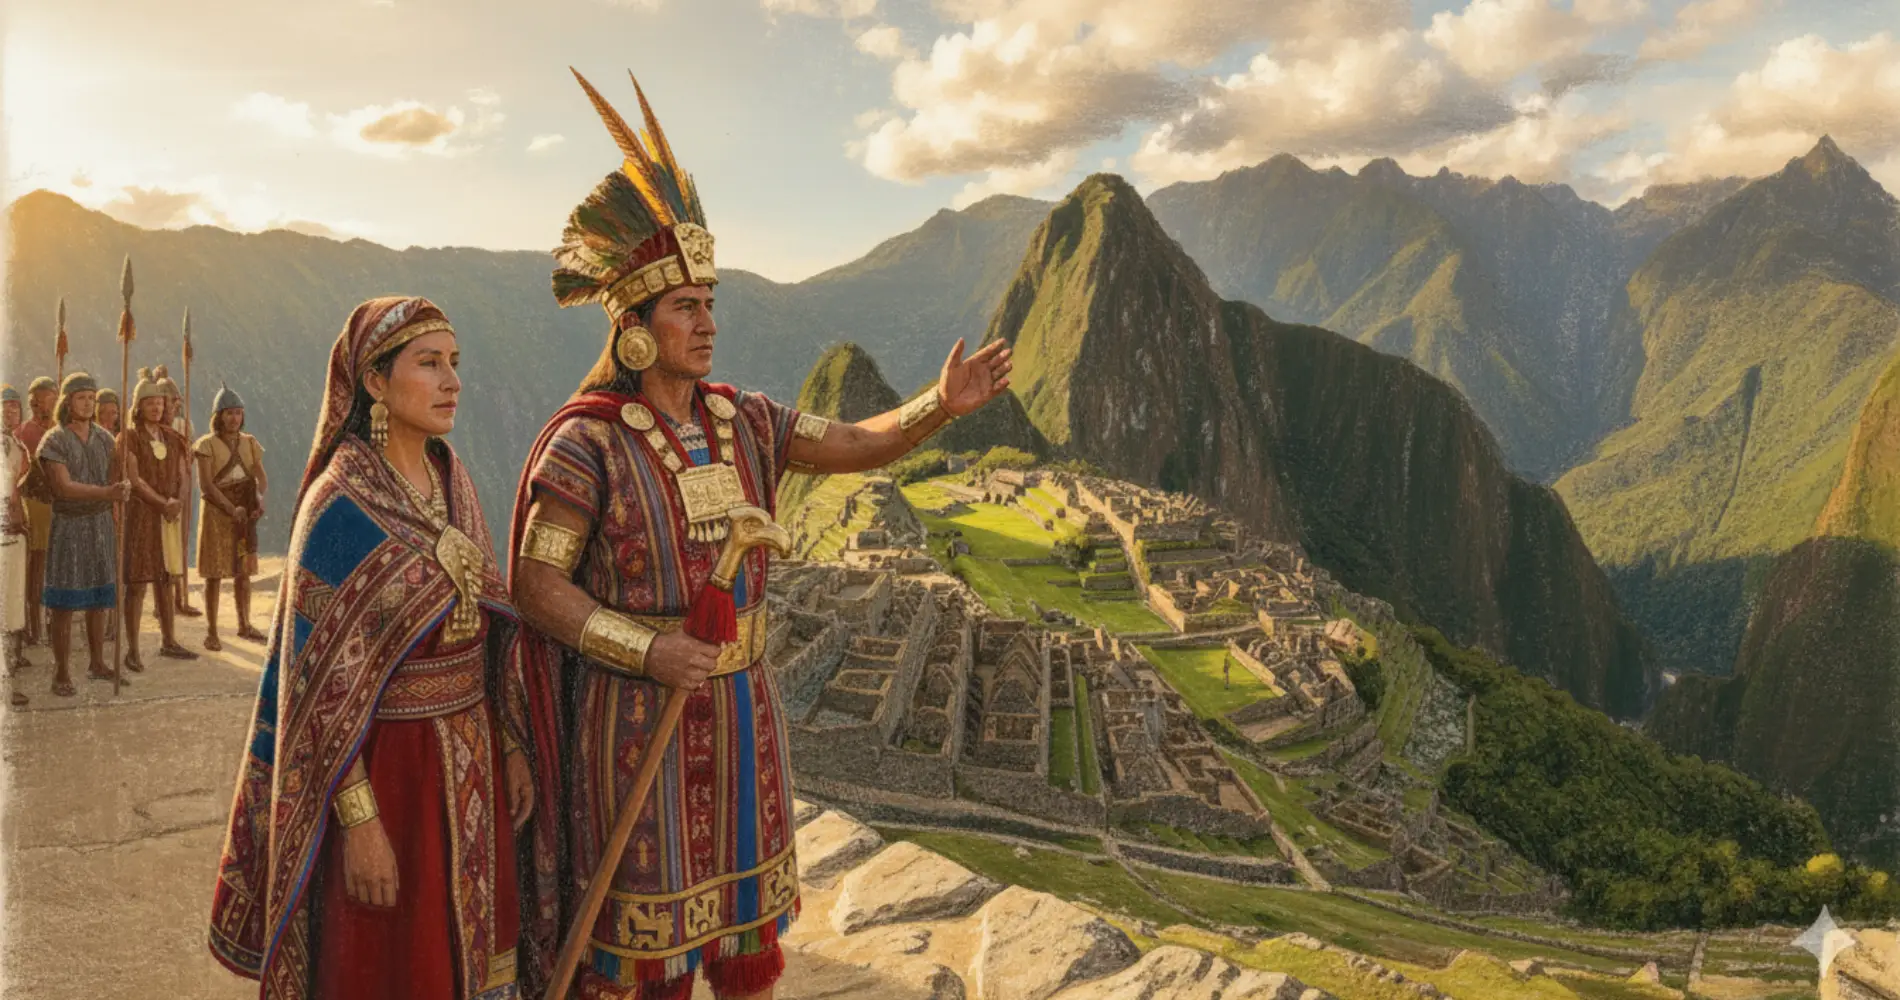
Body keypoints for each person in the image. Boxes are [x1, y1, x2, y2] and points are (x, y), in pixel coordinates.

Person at [507, 72, 1013, 1000]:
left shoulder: (744, 421)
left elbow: (857, 441)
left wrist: (944, 404)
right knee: (643, 951)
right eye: (684, 309)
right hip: (633, 720)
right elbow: (538, 588)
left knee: (749, 945)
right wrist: (647, 648)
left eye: (710, 303)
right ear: (633, 328)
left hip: (743, 714)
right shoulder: (586, 446)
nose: (706, 324)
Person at [209, 296, 536, 1000]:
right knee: (395, 969)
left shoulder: (453, 480)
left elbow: (494, 622)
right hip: (388, 776)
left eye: (455, 363)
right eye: (429, 364)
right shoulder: (339, 507)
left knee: (476, 963)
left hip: (471, 761)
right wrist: (358, 821)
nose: (452, 381)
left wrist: (509, 742)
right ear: (376, 383)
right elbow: (312, 686)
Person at [37, 372, 131, 697]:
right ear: (68, 402)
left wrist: (124, 486)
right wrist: (108, 493)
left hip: (100, 525)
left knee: (99, 599)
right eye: (81, 398)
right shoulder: (54, 440)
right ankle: (61, 672)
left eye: (92, 398)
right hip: (69, 526)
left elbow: (119, 474)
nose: (88, 403)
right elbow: (63, 487)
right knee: (64, 603)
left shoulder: (107, 438)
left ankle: (97, 663)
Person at [118, 368, 199, 668]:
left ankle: (169, 640)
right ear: (138, 406)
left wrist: (175, 500)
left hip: (169, 515)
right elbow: (135, 479)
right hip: (142, 516)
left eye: (160, 403)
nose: (156, 407)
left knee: (166, 579)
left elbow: (181, 474)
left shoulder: (174, 437)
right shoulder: (128, 438)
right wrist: (162, 502)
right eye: (149, 403)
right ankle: (133, 650)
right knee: (138, 582)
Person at [195, 383, 268, 651]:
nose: (234, 418)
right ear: (218, 416)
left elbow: (259, 475)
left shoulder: (250, 443)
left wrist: (258, 499)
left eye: (238, 413)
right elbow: (206, 486)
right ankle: (212, 631)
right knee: (213, 574)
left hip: (244, 513)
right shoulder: (206, 445)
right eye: (229, 413)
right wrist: (229, 507)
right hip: (217, 513)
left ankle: (244, 624)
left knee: (243, 572)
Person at [156, 366, 203, 618]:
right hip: (164, 489)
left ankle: (179, 597)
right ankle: (163, 601)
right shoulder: (156, 427)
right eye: (171, 400)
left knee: (180, 543)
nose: (175, 404)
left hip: (183, 484)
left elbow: (189, 455)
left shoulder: (184, 424)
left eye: (176, 400)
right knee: (163, 546)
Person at [18, 375, 57, 646]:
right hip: (35, 507)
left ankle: (54, 622)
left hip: (59, 509)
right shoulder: (25, 433)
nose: (51, 404)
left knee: (55, 570)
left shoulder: (59, 430)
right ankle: (33, 626)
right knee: (35, 568)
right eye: (48, 399)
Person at [3, 385, 30, 706]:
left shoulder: (17, 446)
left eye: (14, 407)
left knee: (12, 609)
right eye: (5, 407)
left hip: (15, 532)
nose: (11, 412)